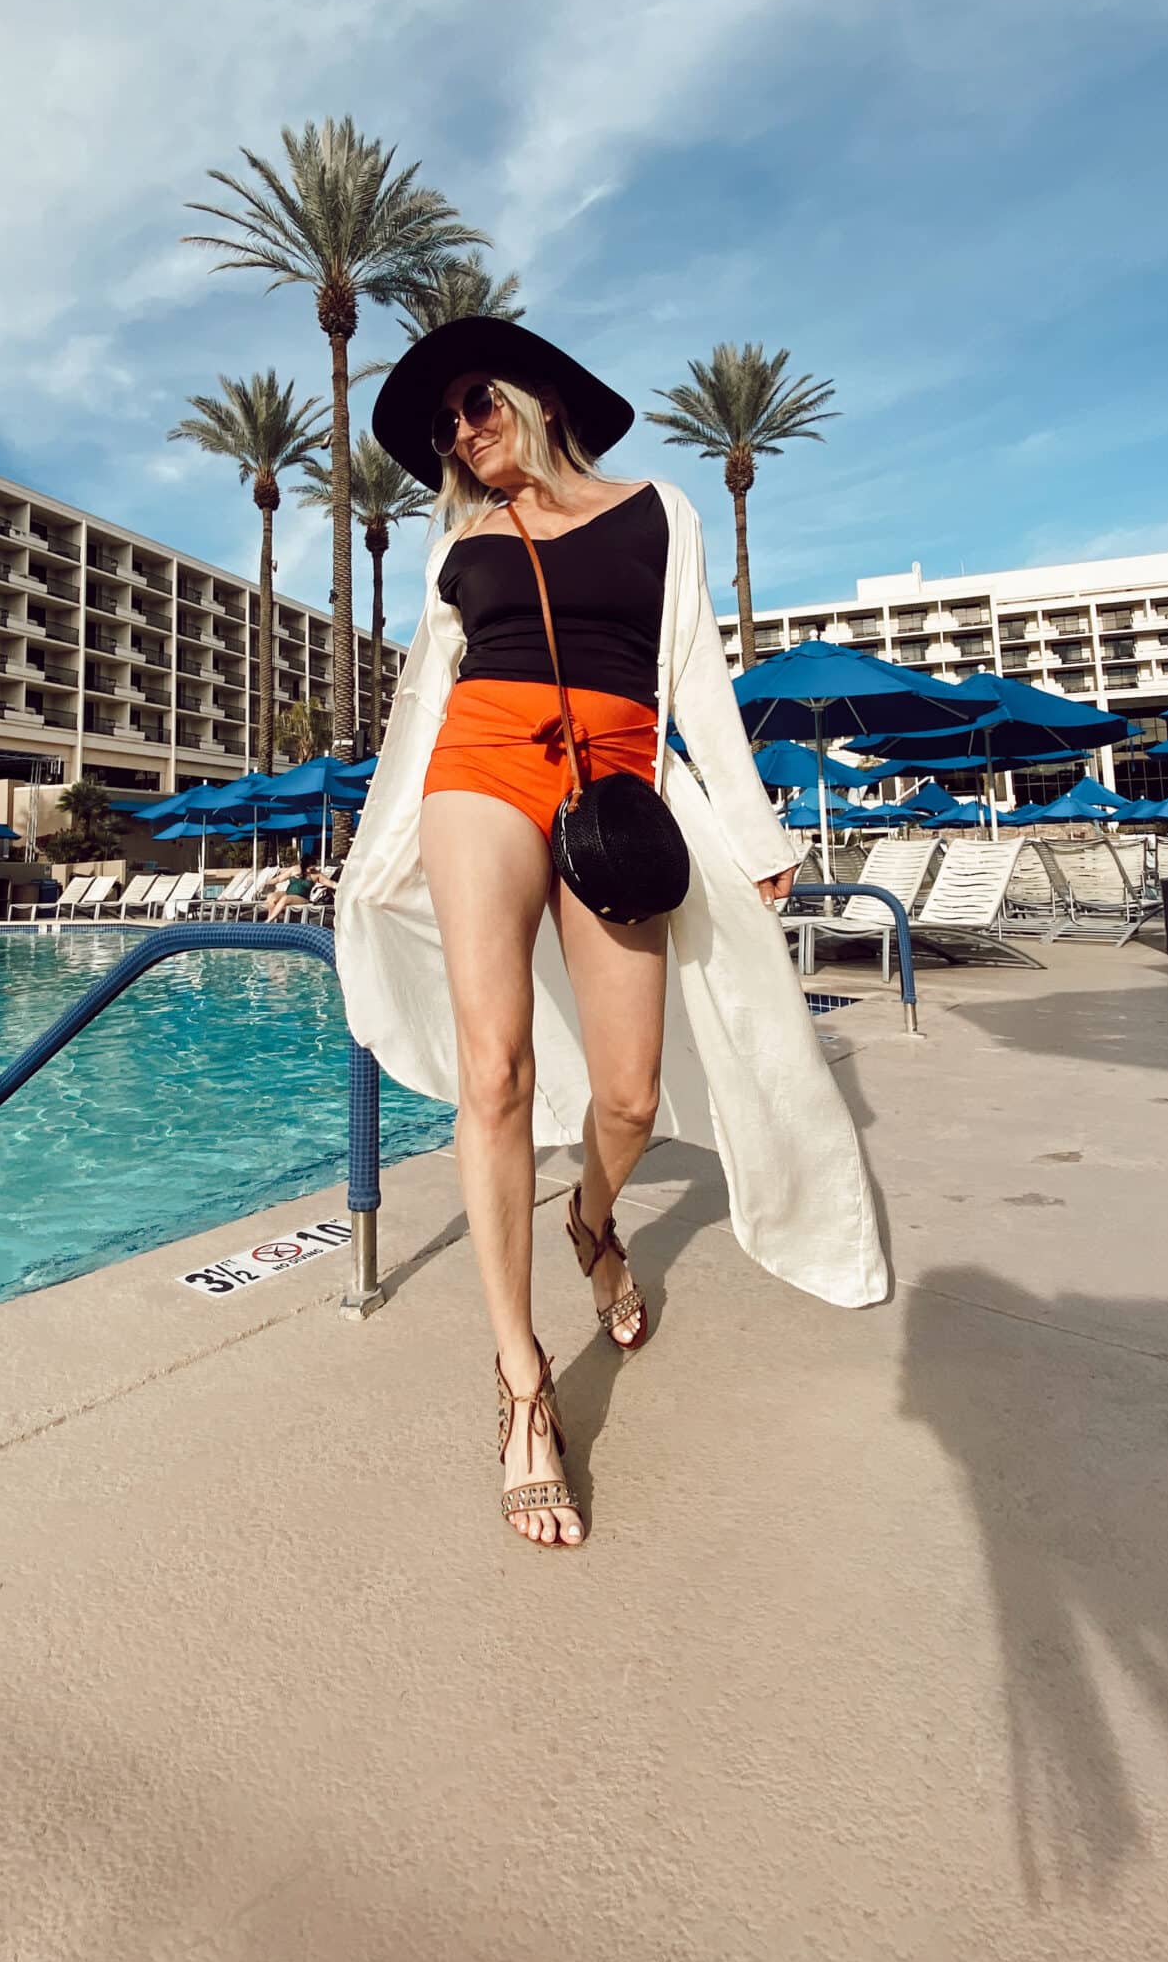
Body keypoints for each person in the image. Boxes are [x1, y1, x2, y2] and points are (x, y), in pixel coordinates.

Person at [338, 318, 886, 1551]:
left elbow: (696, 675)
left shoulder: (660, 509)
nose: (463, 435)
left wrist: (752, 835)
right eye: (442, 430)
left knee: (630, 1095)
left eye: (473, 404)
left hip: (616, 788)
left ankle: (590, 1220)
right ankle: (522, 1379)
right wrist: (375, 859)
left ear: (529, 395)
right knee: (497, 1069)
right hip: (477, 776)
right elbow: (422, 708)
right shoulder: (462, 549)